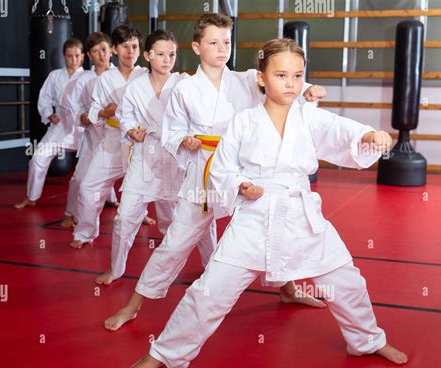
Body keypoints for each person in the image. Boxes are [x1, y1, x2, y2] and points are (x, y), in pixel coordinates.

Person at [128, 38, 408, 368]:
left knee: (347, 282)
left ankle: (366, 340)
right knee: (209, 291)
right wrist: (240, 185)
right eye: (281, 75)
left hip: (302, 214)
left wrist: (370, 134)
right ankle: (166, 352)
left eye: (297, 75)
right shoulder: (243, 121)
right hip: (254, 216)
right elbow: (222, 168)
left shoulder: (309, 118)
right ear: (261, 78)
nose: (290, 83)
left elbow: (341, 130)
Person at [104, 14, 326, 332]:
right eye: (213, 42)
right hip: (203, 175)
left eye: (226, 42)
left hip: (245, 171)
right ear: (196, 47)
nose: (222, 49)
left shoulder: (247, 79)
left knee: (273, 229)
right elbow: (171, 132)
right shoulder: (185, 88)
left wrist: (306, 90)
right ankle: (133, 304)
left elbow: (281, 80)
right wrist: (185, 140)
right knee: (175, 242)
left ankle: (287, 288)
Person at [96, 29, 215, 286]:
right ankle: (115, 269)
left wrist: (192, 136)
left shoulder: (184, 82)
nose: (167, 59)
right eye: (160, 54)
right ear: (148, 56)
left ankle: (212, 266)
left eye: (171, 54)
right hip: (146, 156)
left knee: (197, 215)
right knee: (125, 217)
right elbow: (125, 115)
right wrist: (130, 130)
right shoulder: (135, 86)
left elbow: (201, 114)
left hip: (179, 157)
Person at [70, 26, 153, 249]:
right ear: (115, 50)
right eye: (124, 46)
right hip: (112, 141)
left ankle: (170, 235)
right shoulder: (106, 79)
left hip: (141, 143)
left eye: (134, 46)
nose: (130, 51)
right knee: (88, 188)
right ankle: (85, 231)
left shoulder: (146, 75)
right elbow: (94, 112)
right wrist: (107, 111)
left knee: (163, 192)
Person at [14, 39, 84, 209]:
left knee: (97, 162)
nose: (73, 60)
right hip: (59, 124)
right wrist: (48, 114)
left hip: (82, 126)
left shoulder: (88, 77)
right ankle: (31, 197)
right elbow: (44, 97)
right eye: (69, 56)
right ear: (63, 56)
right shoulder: (55, 76)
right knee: (37, 159)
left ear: (82, 57)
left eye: (77, 56)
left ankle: (109, 198)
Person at [60, 32, 119, 228]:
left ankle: (139, 213)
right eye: (96, 51)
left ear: (111, 50)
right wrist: (83, 117)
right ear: (89, 54)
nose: (101, 54)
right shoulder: (83, 79)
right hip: (93, 137)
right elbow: (75, 107)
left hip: (118, 138)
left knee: (136, 178)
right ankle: (70, 213)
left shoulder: (120, 76)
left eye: (104, 49)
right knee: (79, 179)